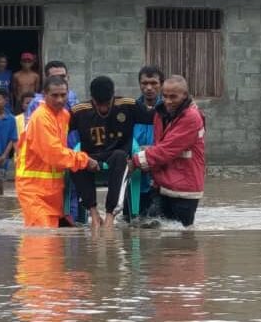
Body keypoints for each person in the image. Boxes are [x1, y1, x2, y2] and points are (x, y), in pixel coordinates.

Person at [16, 76, 100, 228]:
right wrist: (84, 160)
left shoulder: (64, 115)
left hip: (55, 190)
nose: (60, 100)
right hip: (33, 190)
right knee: (41, 240)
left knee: (54, 243)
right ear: (44, 95)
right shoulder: (40, 118)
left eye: (63, 95)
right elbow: (54, 154)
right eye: (55, 95)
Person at [129, 75, 205, 228]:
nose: (168, 101)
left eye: (173, 97)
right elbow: (162, 145)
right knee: (151, 229)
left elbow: (167, 149)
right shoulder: (160, 113)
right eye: (165, 96)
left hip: (184, 189)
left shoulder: (191, 117)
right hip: (161, 184)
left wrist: (137, 160)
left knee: (182, 239)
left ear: (185, 95)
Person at [69, 76, 137, 230]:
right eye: (99, 105)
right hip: (91, 154)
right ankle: (93, 214)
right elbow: (59, 132)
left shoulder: (128, 105)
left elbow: (155, 117)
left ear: (113, 96)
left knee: (121, 157)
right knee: (76, 160)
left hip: (116, 154)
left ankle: (110, 216)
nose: (103, 109)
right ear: (92, 99)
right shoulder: (78, 111)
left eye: (107, 104)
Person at [127, 65, 165, 221]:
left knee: (158, 222)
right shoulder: (130, 109)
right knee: (131, 221)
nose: (149, 88)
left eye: (154, 83)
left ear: (161, 84)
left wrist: (152, 151)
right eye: (144, 83)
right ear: (139, 84)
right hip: (135, 171)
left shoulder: (167, 111)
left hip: (159, 172)